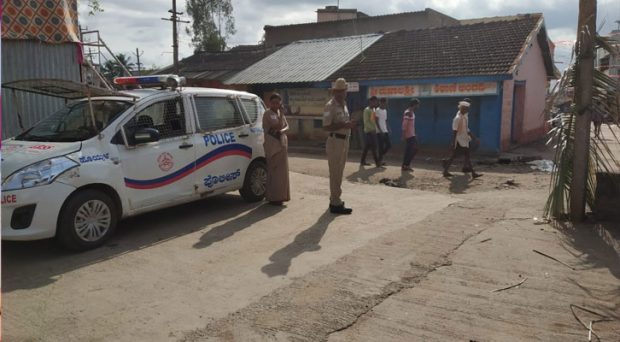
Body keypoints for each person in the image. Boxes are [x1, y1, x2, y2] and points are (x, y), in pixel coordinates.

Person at [323, 78, 356, 215]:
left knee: (339, 172)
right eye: (338, 91)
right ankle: (335, 203)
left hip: (344, 141)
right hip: (335, 142)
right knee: (335, 173)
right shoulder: (330, 105)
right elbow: (326, 127)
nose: (341, 93)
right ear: (335, 91)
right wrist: (344, 125)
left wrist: (348, 124)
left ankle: (334, 198)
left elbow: (343, 121)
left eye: (343, 91)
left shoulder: (344, 104)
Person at [442, 98, 482, 179]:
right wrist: (453, 142)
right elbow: (454, 130)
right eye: (467, 108)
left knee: (460, 155)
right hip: (460, 140)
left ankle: (446, 169)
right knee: (463, 155)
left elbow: (466, 128)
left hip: (464, 139)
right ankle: (473, 173)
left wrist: (472, 137)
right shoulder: (458, 118)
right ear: (463, 108)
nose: (468, 110)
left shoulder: (464, 116)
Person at [262, 93, 290, 205]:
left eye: (277, 102)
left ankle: (282, 196)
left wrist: (283, 131)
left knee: (282, 173)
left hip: (281, 144)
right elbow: (278, 126)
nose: (275, 104)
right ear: (270, 103)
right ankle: (273, 198)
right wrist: (282, 114)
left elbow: (287, 126)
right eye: (273, 102)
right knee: (274, 172)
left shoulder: (279, 113)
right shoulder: (268, 113)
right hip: (273, 146)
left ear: (280, 103)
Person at [360, 96, 381, 167]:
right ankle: (377, 163)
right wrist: (372, 130)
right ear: (371, 102)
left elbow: (373, 120)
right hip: (369, 132)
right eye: (375, 102)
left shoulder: (373, 110)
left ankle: (362, 161)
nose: (376, 103)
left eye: (376, 102)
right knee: (374, 147)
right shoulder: (367, 110)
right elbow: (366, 122)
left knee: (367, 147)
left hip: (373, 131)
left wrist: (376, 129)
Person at [401, 98, 420, 172]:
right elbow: (404, 124)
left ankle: (405, 165)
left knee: (409, 150)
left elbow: (411, 125)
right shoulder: (408, 112)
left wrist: (414, 133)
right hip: (409, 135)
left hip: (412, 134)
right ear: (414, 105)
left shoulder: (411, 112)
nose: (418, 107)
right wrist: (403, 135)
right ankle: (406, 165)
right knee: (414, 149)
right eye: (417, 105)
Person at [376, 98, 391, 162]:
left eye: (385, 103)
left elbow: (385, 120)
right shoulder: (377, 110)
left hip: (385, 130)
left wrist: (388, 128)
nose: (385, 104)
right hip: (379, 131)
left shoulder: (385, 110)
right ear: (380, 102)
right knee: (381, 146)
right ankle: (379, 161)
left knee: (388, 145)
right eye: (384, 103)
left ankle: (380, 156)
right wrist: (380, 130)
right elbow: (376, 121)